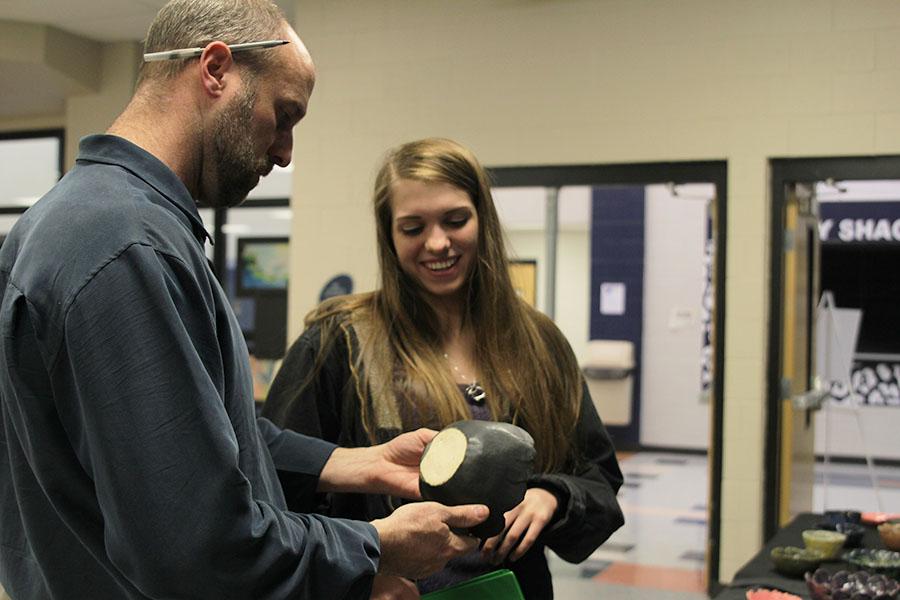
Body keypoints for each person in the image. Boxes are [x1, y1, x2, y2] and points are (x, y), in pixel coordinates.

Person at [0, 3, 488, 599]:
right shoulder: (124, 245)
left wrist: (350, 463)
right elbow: (200, 549)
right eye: (283, 116)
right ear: (215, 69)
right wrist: (376, 545)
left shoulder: (91, 221)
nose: (284, 152)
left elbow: (191, 443)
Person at [262, 137, 626, 599]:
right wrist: (359, 575)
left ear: (482, 220)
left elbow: (599, 478)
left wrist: (552, 496)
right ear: (389, 236)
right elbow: (274, 490)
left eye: (455, 221)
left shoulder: (539, 343)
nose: (437, 243)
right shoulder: (339, 342)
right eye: (413, 228)